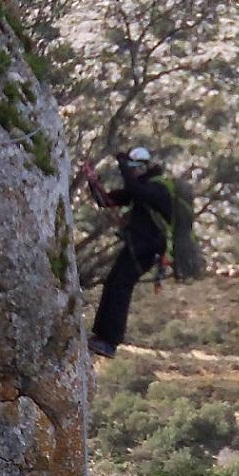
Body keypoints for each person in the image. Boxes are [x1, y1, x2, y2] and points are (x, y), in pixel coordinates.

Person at [81, 146, 176, 357]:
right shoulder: (141, 188)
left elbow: (134, 190)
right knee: (114, 283)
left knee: (120, 286)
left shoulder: (157, 189)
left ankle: (109, 340)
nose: (132, 171)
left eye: (134, 167)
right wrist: (93, 180)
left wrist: (122, 163)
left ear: (143, 167)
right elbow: (106, 200)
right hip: (138, 246)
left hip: (147, 249)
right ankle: (102, 338)